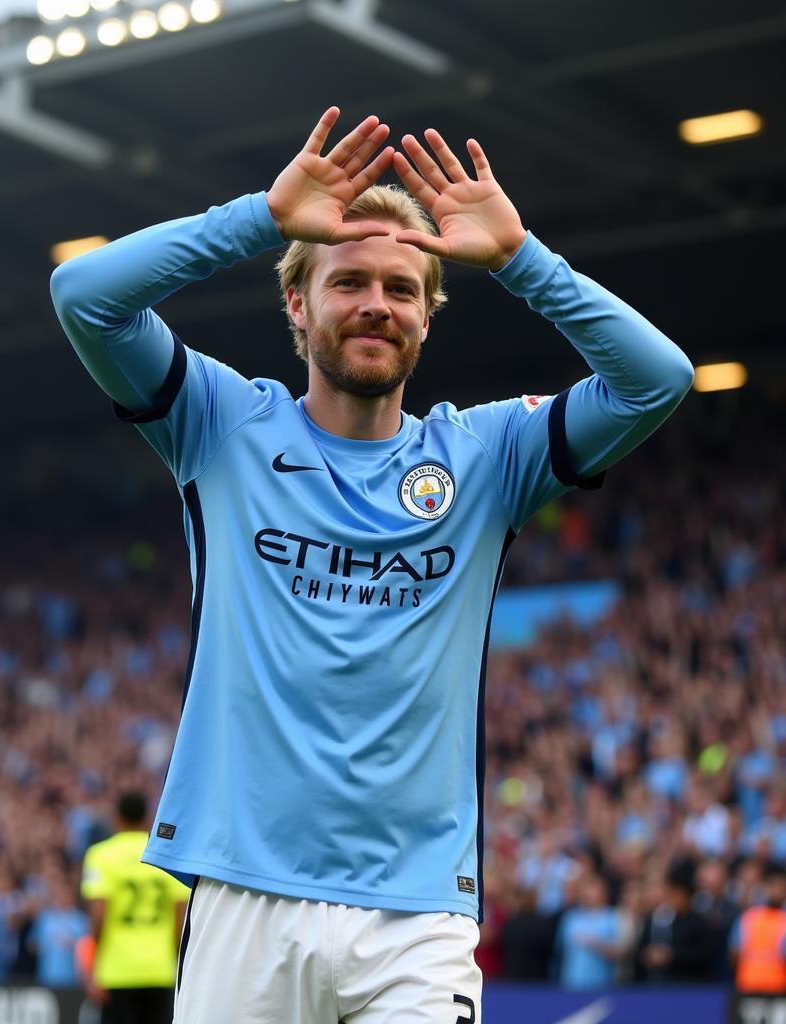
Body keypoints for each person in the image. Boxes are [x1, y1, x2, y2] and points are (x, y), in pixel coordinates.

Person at [51, 106, 693, 1023]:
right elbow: (84, 297)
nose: (375, 305)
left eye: (401, 288)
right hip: (243, 894)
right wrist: (261, 220)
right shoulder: (222, 427)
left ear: (429, 319)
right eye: (346, 280)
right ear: (297, 302)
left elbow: (656, 379)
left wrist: (522, 262)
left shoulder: (487, 456)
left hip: (419, 914)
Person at [80, 792, 189, 1024]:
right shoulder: (164, 855)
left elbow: (99, 914)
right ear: (147, 817)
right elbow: (180, 917)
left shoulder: (101, 855)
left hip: (117, 972)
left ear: (116, 817)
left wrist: (92, 967)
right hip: (160, 970)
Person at [729, 864, 786, 993]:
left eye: (781, 888)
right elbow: (734, 953)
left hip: (778, 987)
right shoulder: (748, 916)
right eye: (773, 886)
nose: (776, 891)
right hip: (748, 984)